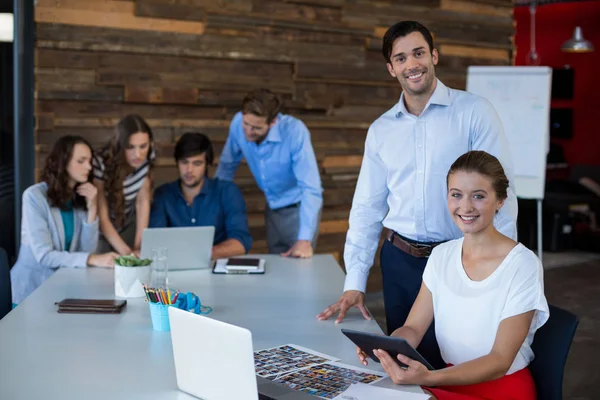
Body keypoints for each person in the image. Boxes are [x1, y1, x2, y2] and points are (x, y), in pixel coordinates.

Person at [317, 20, 518, 369]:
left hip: (462, 259)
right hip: (401, 262)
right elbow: (367, 208)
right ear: (391, 68)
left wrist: (503, 268)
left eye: (419, 53)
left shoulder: (474, 112)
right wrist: (355, 281)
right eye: (401, 57)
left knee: (464, 358)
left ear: (434, 55)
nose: (412, 64)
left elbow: (501, 194)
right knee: (409, 363)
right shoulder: (381, 131)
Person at [356, 151, 548, 400]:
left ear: (500, 200)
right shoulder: (442, 256)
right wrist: (385, 349)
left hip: (501, 388)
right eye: (456, 195)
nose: (465, 207)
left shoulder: (523, 264)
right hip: (449, 380)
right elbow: (413, 328)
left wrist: (429, 378)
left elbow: (500, 360)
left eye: (478, 196)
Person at [215, 88, 323, 258]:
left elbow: (311, 188)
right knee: (277, 265)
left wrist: (304, 239)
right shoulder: (238, 123)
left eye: (256, 128)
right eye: (246, 124)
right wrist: (215, 204)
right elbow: (226, 167)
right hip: (272, 208)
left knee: (299, 270)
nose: (248, 132)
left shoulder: (295, 132)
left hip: (299, 211)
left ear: (272, 122)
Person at [10, 136, 118, 304]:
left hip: (62, 290)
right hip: (29, 292)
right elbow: (44, 256)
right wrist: (92, 259)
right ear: (63, 163)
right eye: (81, 161)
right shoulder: (34, 197)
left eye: (89, 161)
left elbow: (86, 250)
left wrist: (93, 208)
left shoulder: (79, 196)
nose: (89, 167)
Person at [149, 133, 252, 259]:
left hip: (217, 268)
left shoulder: (227, 191)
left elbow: (241, 242)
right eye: (184, 162)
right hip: (176, 271)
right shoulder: (163, 195)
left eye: (197, 163)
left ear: (207, 164)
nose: (189, 170)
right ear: (177, 162)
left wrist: (201, 254)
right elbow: (155, 242)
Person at [93, 114, 155, 256]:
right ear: (120, 145)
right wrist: (128, 254)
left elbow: (142, 202)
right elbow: (102, 216)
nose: (138, 154)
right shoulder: (100, 162)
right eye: (130, 147)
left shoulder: (148, 156)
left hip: (128, 223)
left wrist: (139, 248)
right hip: (101, 231)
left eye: (143, 146)